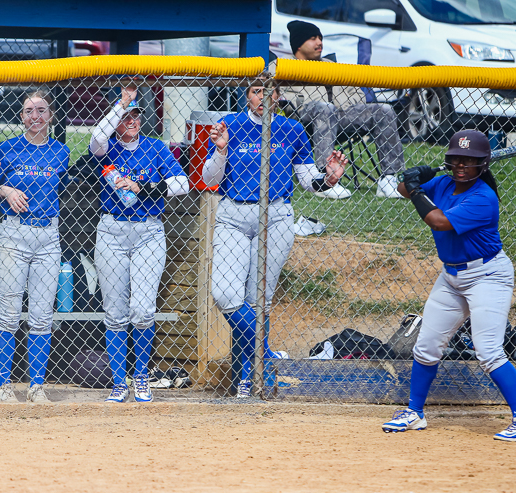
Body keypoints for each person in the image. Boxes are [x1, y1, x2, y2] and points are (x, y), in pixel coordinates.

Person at [203, 79, 347, 398]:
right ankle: (264, 352)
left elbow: (309, 181)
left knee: (259, 302)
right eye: (257, 91)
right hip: (234, 215)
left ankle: (246, 379)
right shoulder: (231, 124)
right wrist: (221, 149)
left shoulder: (291, 129)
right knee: (225, 295)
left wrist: (329, 178)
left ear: (278, 96)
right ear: (247, 95)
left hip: (277, 216)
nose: (264, 96)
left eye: (270, 91)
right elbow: (208, 179)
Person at [382, 129, 516, 440]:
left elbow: (439, 221)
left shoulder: (483, 197)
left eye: (469, 161)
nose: (460, 165)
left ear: (482, 165)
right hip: (452, 276)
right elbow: (404, 189)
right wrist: (415, 176)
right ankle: (414, 413)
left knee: (489, 352)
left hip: (487, 276)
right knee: (426, 346)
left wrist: (416, 190)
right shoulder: (442, 182)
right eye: (456, 159)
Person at [89, 85, 191, 403]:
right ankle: (120, 382)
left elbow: (182, 184)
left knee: (143, 310)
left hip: (148, 231)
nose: (132, 121)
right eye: (126, 117)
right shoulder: (106, 150)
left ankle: (142, 377)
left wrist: (144, 186)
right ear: (115, 119)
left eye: (136, 116)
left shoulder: (155, 147)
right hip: (112, 232)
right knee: (116, 312)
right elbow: (96, 138)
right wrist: (120, 105)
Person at [0, 90, 70, 404]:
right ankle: (3, 386)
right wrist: (5, 189)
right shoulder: (7, 149)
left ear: (51, 115)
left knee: (41, 316)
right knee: (9, 314)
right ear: (21, 116)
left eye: (40, 110)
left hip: (49, 236)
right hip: (14, 234)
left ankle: (36, 386)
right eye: (28, 111)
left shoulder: (61, 152)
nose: (34, 117)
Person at [283, 20, 405, 200]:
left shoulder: (334, 67)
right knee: (325, 108)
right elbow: (290, 101)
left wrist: (342, 106)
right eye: (312, 38)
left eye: (320, 38)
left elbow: (357, 93)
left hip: (340, 116)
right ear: (299, 45)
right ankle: (325, 179)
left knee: (383, 110)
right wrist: (326, 103)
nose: (319, 43)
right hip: (305, 120)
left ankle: (388, 179)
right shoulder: (285, 67)